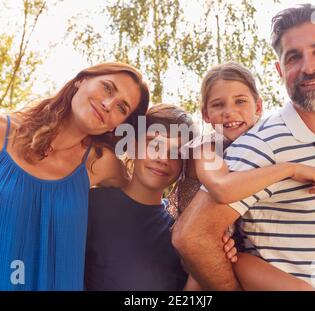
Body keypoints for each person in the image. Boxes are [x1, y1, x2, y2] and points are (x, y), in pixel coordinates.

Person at [172, 4, 315, 291]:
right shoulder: (262, 143)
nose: (309, 67)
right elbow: (192, 237)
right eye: (293, 57)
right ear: (280, 69)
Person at [0, 62, 150, 290]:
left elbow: (146, 201)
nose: (108, 104)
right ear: (81, 80)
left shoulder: (102, 164)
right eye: (108, 88)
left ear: (118, 125)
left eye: (122, 108)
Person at [168, 61, 315, 290]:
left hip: (235, 248)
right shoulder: (206, 148)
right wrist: (290, 169)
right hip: (202, 250)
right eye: (218, 104)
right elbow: (223, 188)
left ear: (258, 106)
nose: (229, 112)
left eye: (240, 101)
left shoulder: (261, 143)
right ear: (206, 115)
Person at [84, 104, 236, 291]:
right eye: (154, 144)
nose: (163, 158)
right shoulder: (93, 205)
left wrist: (206, 259)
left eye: (176, 152)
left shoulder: (181, 228)